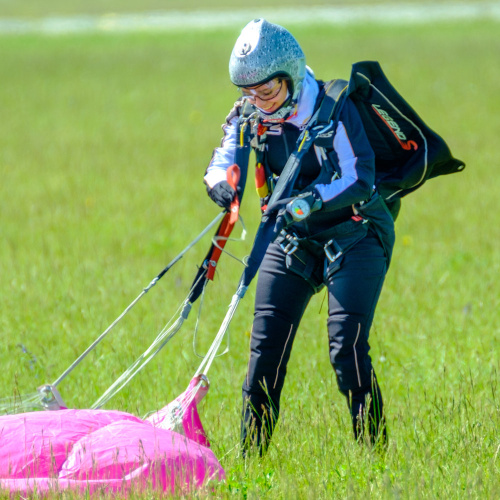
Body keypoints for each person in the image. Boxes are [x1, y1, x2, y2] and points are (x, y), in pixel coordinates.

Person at [204, 19, 395, 454]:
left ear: (289, 76)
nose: (258, 102)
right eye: (248, 93)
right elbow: (225, 157)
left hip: (355, 234)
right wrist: (220, 184)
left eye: (267, 92)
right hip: (292, 239)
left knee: (346, 349)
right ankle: (252, 467)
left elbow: (358, 176)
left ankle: (375, 459)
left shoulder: (332, 107)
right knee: (264, 355)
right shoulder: (251, 112)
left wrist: (308, 201)